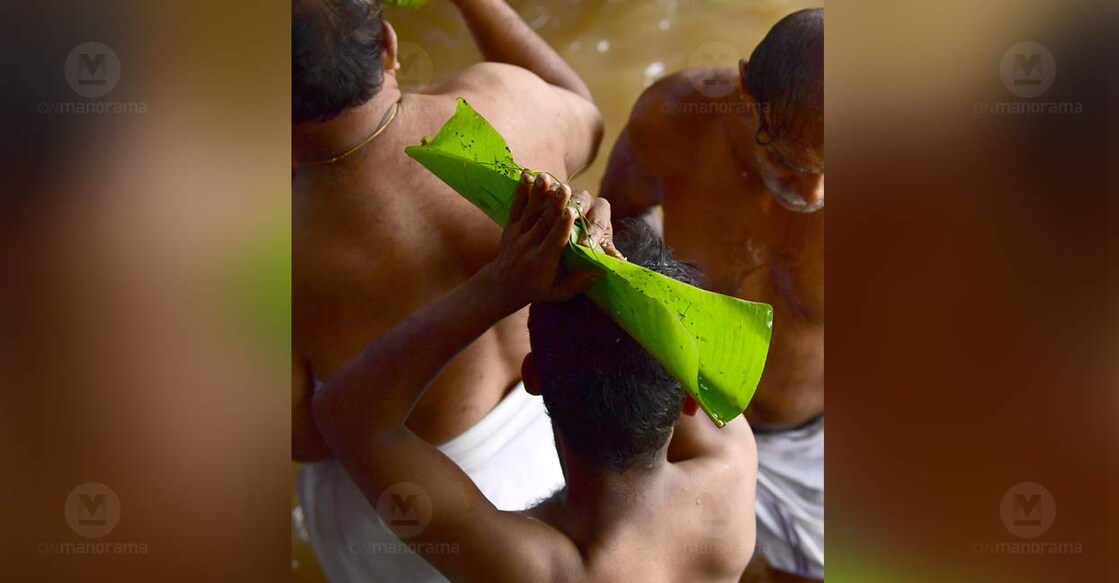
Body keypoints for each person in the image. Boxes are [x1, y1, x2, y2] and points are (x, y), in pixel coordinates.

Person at [313, 172, 758, 582]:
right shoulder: (731, 474)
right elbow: (688, 362)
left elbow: (346, 415)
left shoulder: (536, 566)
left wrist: (500, 286)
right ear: (691, 398)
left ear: (532, 376)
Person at [291, 0, 603, 579]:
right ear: (389, 46)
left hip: (418, 507)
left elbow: (305, 439)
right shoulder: (507, 99)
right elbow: (587, 118)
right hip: (568, 442)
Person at [599, 9, 824, 581]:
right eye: (789, 161)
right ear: (746, 90)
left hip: (811, 434)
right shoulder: (674, 120)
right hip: (686, 409)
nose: (813, 193)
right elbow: (612, 233)